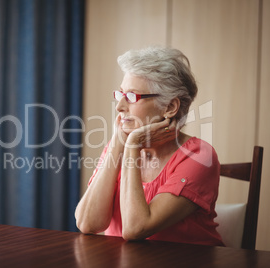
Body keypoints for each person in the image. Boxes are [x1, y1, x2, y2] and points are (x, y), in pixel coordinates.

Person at [75, 46, 224, 246]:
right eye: (121, 95)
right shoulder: (120, 144)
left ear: (170, 107)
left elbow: (136, 228)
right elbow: (88, 223)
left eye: (132, 97)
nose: (119, 107)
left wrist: (132, 145)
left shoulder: (199, 155)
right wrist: (120, 141)